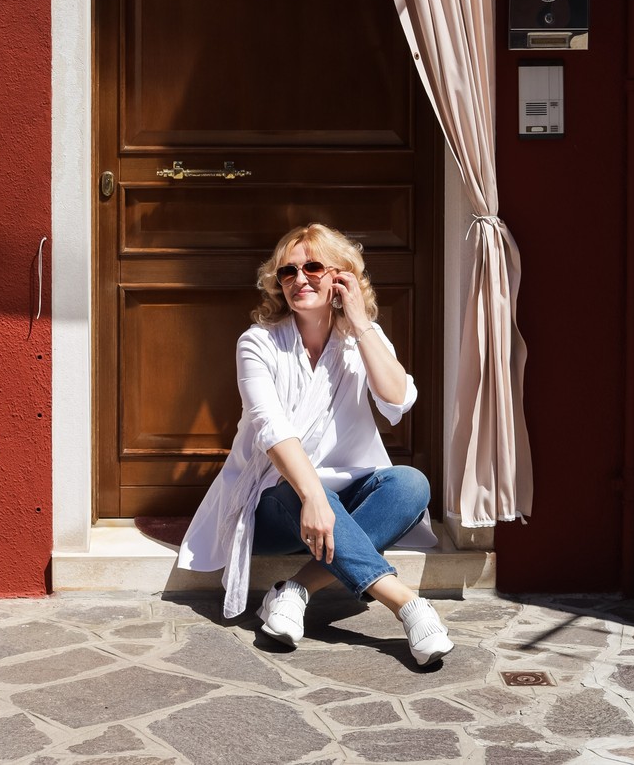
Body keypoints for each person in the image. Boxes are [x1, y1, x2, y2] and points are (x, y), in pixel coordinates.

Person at [177, 222, 453, 665]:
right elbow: (271, 429)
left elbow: (398, 400)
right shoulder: (258, 343)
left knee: (411, 484)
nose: (299, 279)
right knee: (295, 488)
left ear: (341, 277)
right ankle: (406, 604)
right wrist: (313, 497)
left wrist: (360, 322)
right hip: (278, 507)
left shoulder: (362, 338)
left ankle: (295, 590)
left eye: (313, 267)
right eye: (288, 271)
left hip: (340, 504)